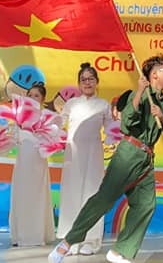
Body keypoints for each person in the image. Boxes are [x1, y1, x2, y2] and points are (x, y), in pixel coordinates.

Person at [49, 54, 163, 263]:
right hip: (129, 153)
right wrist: (140, 91)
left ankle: (120, 251)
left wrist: (162, 116)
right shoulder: (136, 95)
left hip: (146, 158)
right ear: (155, 75)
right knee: (104, 199)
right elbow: (127, 122)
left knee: (146, 205)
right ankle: (68, 242)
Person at [56, 63, 111, 255]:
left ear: (97, 82)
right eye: (83, 80)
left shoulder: (103, 105)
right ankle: (70, 240)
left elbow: (111, 130)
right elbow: (58, 124)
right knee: (71, 194)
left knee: (92, 195)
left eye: (91, 79)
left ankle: (91, 240)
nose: (87, 82)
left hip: (93, 154)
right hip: (73, 154)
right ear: (79, 83)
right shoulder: (71, 104)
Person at [9, 83, 56, 247]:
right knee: (22, 196)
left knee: (37, 197)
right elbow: (12, 138)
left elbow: (52, 139)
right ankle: (19, 236)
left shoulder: (46, 117)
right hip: (23, 163)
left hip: (38, 163)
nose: (33, 98)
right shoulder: (19, 118)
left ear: (43, 99)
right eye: (30, 95)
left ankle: (36, 236)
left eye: (37, 95)